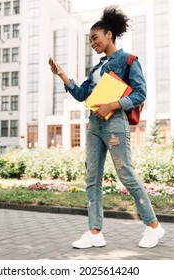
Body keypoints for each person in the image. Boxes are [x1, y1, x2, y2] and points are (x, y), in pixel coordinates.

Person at [48, 6, 165, 249]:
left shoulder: (128, 60)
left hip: (115, 123)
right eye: (90, 40)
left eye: (95, 38)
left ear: (109, 35)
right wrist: (62, 75)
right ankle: (94, 232)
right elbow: (81, 95)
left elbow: (140, 93)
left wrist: (112, 104)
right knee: (92, 177)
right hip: (94, 125)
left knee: (126, 174)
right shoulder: (96, 69)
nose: (92, 43)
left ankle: (153, 226)